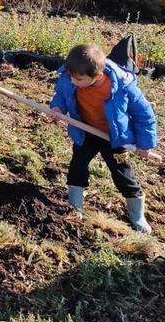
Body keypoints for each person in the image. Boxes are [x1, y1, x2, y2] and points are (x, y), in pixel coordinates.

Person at [49, 44, 157, 233]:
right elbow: (62, 94)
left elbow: (144, 114)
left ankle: (137, 214)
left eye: (78, 79)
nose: (73, 81)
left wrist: (145, 144)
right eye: (71, 77)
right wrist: (57, 108)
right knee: (77, 166)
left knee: (122, 173)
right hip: (86, 132)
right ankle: (75, 207)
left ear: (97, 76)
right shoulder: (71, 77)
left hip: (115, 138)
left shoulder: (123, 86)